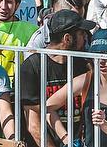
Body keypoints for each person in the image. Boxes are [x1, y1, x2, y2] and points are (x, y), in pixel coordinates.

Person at [18, 9, 94, 147]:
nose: (85, 38)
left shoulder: (84, 65)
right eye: (82, 33)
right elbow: (33, 124)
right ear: (67, 39)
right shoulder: (32, 66)